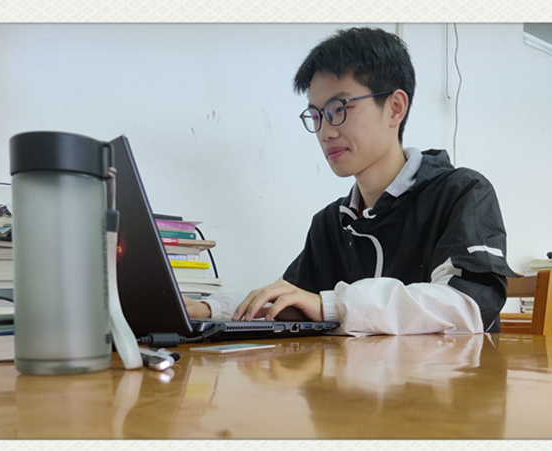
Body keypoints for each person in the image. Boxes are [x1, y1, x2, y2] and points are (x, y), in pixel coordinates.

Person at [188, 27, 516, 335]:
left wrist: (334, 305)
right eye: (316, 115)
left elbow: (467, 305)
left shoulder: (462, 193)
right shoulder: (331, 223)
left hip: (448, 377)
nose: (325, 132)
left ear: (395, 108)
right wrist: (208, 309)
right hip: (353, 378)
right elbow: (288, 298)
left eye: (338, 109)